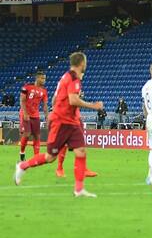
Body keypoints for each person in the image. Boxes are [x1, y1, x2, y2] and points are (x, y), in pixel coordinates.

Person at [15, 52, 104, 198]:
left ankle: (79, 189)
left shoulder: (66, 76)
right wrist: (94, 106)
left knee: (81, 151)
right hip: (61, 122)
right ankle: (22, 166)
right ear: (82, 63)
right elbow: (73, 100)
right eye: (85, 62)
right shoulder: (73, 78)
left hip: (71, 121)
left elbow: (56, 98)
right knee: (50, 157)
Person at [18, 71, 48, 162]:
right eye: (42, 78)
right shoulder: (27, 87)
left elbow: (45, 105)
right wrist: (25, 113)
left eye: (45, 79)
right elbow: (22, 100)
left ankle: (36, 157)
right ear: (37, 78)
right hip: (25, 113)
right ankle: (22, 152)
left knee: (37, 136)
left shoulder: (44, 91)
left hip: (35, 115)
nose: (44, 80)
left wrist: (47, 117)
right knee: (27, 134)